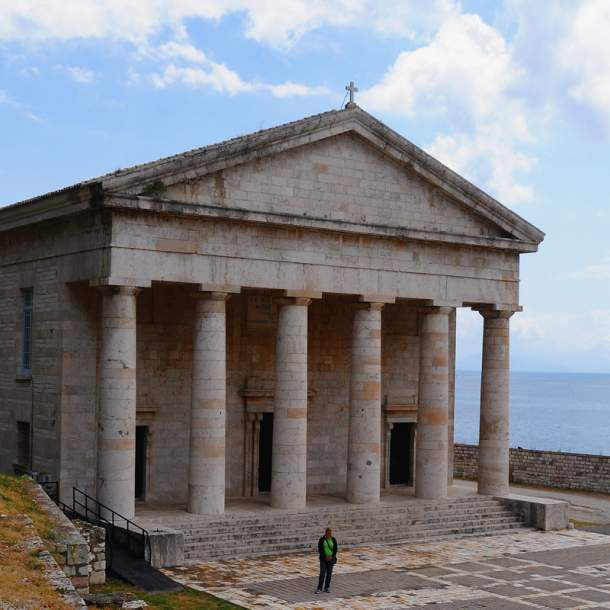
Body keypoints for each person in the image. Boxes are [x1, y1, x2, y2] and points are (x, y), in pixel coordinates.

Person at [315, 527, 338, 594]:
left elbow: (335, 549)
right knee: (322, 574)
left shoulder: (333, 539)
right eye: (328, 533)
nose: (329, 534)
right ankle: (319, 587)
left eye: (330, 533)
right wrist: (325, 556)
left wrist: (332, 556)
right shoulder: (322, 540)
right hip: (323, 559)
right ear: (325, 533)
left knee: (329, 574)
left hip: (331, 559)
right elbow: (320, 549)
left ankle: (327, 587)